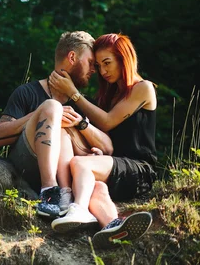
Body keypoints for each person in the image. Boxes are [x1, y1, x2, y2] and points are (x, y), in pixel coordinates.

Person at [48, 33, 156, 248]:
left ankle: (78, 209)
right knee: (94, 187)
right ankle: (114, 226)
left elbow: (106, 122)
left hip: (139, 169)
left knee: (79, 164)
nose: (103, 71)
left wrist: (74, 94)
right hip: (112, 164)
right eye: (98, 65)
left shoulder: (143, 88)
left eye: (108, 63)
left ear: (124, 58)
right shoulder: (110, 95)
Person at [0, 31, 113, 218]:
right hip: (27, 166)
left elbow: (108, 147)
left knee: (98, 186)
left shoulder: (81, 103)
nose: (94, 70)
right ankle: (49, 190)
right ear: (72, 57)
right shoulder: (27, 92)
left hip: (68, 180)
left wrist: (82, 128)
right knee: (52, 107)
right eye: (90, 63)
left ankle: (110, 226)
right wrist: (42, 114)